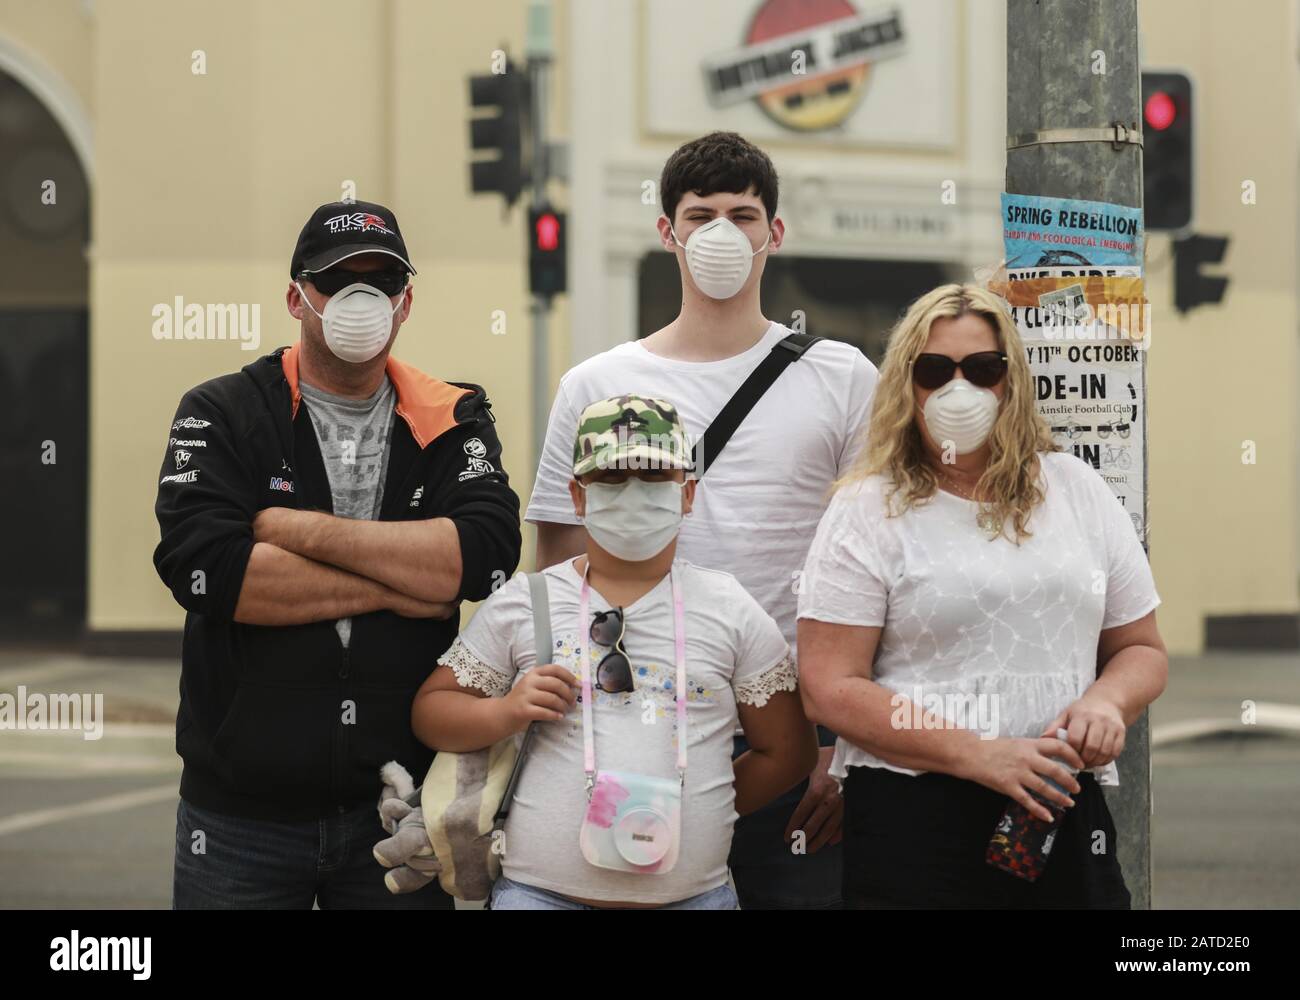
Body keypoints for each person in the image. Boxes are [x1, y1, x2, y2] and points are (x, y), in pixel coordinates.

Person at [526, 132, 877, 908]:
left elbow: (886, 568)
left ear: (774, 233)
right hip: (632, 731)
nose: (723, 232)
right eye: (701, 214)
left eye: (744, 214)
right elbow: (555, 571)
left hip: (800, 743)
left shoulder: (844, 376)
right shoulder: (596, 382)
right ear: (668, 233)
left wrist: (850, 749)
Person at [153, 199, 522, 909]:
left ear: (405, 301)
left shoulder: (452, 414)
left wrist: (295, 530)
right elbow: (211, 573)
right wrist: (406, 582)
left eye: (381, 281)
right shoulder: (222, 410)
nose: (362, 299)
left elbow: (484, 557)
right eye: (337, 279)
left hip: (400, 806)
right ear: (297, 296)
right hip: (239, 817)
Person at [797, 283, 1168, 909]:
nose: (957, 389)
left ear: (1012, 379)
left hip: (1056, 802)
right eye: (935, 370)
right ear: (905, 384)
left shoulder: (1077, 489)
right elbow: (829, 685)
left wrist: (1108, 703)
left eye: (983, 368)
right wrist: (981, 756)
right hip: (915, 814)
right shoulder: (867, 508)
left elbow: (1142, 647)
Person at [413, 396, 818, 909]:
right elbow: (432, 713)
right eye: (610, 478)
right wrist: (505, 710)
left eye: (654, 477)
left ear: (687, 494)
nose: (632, 493)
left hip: (694, 898)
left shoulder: (729, 608)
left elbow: (790, 751)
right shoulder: (528, 601)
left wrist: (703, 806)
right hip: (538, 896)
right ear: (577, 498)